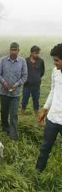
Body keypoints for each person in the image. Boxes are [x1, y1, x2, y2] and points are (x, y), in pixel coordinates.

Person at [36, 43, 62, 172]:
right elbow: (53, 91)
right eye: (54, 60)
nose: (55, 63)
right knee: (45, 147)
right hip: (52, 119)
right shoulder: (55, 72)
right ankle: (38, 171)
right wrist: (44, 110)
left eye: (57, 60)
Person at [0, 42, 27, 141]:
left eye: (15, 50)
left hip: (15, 94)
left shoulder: (22, 61)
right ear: (9, 50)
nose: (13, 52)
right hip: (4, 92)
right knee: (4, 113)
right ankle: (5, 129)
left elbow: (24, 76)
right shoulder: (3, 60)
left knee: (13, 114)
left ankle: (14, 136)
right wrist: (3, 82)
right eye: (12, 50)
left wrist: (16, 85)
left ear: (18, 51)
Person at [21, 45, 45, 115]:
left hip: (36, 85)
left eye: (38, 53)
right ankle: (22, 113)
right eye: (36, 53)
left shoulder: (41, 61)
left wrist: (37, 78)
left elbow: (42, 72)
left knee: (36, 100)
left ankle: (37, 114)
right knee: (24, 100)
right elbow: (22, 71)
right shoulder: (26, 61)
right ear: (31, 53)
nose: (37, 54)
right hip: (27, 85)